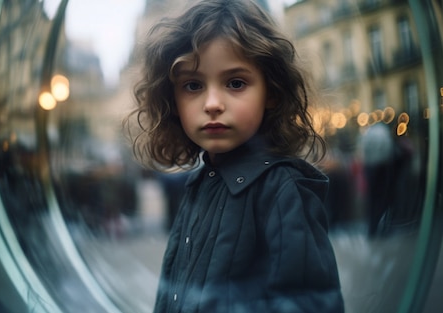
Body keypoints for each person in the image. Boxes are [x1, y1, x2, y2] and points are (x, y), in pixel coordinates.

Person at [123, 0, 344, 311]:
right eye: (193, 85)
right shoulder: (199, 181)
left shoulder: (283, 189)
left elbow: (309, 303)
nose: (213, 103)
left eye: (235, 83)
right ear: (171, 100)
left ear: (272, 92)